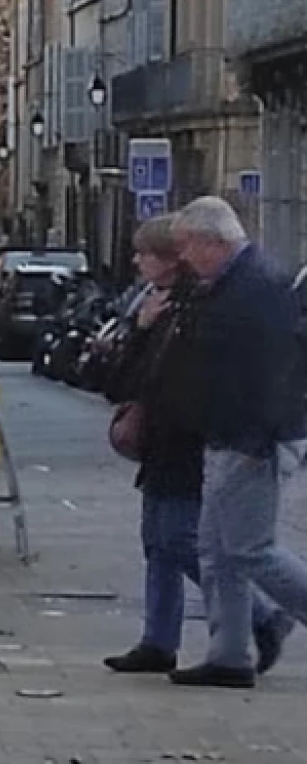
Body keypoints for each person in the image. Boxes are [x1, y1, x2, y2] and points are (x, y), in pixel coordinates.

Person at [101, 215, 290, 674]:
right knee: (164, 543)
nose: (136, 261)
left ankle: (263, 619)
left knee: (197, 541)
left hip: (195, 436)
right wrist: (139, 331)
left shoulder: (205, 298)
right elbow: (128, 374)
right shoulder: (161, 301)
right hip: (171, 435)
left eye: (146, 253)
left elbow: (200, 371)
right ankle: (165, 641)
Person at [159, 197, 307, 688]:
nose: (182, 257)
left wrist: (256, 438)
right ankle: (228, 654)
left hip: (248, 437)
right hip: (228, 432)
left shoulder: (255, 289)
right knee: (216, 549)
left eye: (186, 246)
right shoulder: (231, 286)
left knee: (250, 548)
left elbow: (272, 373)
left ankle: (240, 646)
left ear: (212, 241)